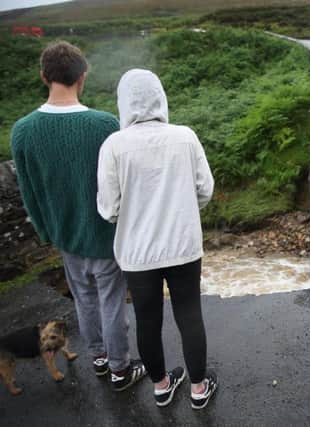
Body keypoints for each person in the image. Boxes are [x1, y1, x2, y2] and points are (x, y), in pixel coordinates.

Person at [10, 41, 146, 391]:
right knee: (112, 302)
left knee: (84, 300)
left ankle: (98, 357)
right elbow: (122, 183)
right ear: (82, 77)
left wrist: (46, 232)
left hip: (65, 237)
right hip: (106, 236)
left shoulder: (22, 131)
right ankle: (120, 368)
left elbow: (29, 191)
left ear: (44, 76)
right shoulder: (104, 124)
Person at [97, 69, 217, 408]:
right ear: (160, 96)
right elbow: (205, 190)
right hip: (183, 246)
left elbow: (108, 209)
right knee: (189, 314)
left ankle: (162, 386)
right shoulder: (185, 136)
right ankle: (198, 389)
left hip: (138, 253)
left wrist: (134, 214)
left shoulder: (113, 146)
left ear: (123, 103)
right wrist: (184, 210)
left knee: (147, 321)